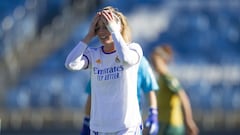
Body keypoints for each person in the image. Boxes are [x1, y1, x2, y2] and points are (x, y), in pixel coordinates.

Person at [65, 6, 143, 134]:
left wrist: (114, 32)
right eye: (98, 27)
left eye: (106, 26)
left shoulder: (134, 49)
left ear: (118, 27)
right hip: (99, 129)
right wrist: (89, 35)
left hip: (126, 128)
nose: (101, 31)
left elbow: (126, 59)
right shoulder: (94, 54)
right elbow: (70, 64)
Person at [80, 56, 160, 135]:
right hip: (103, 123)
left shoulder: (139, 59)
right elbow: (92, 93)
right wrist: (87, 119)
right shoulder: (99, 59)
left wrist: (153, 113)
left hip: (128, 124)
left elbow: (150, 89)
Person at [150, 44, 199, 135]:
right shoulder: (160, 79)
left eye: (155, 61)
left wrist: (189, 121)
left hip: (171, 125)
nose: (153, 64)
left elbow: (183, 97)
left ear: (163, 60)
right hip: (162, 124)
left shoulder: (169, 79)